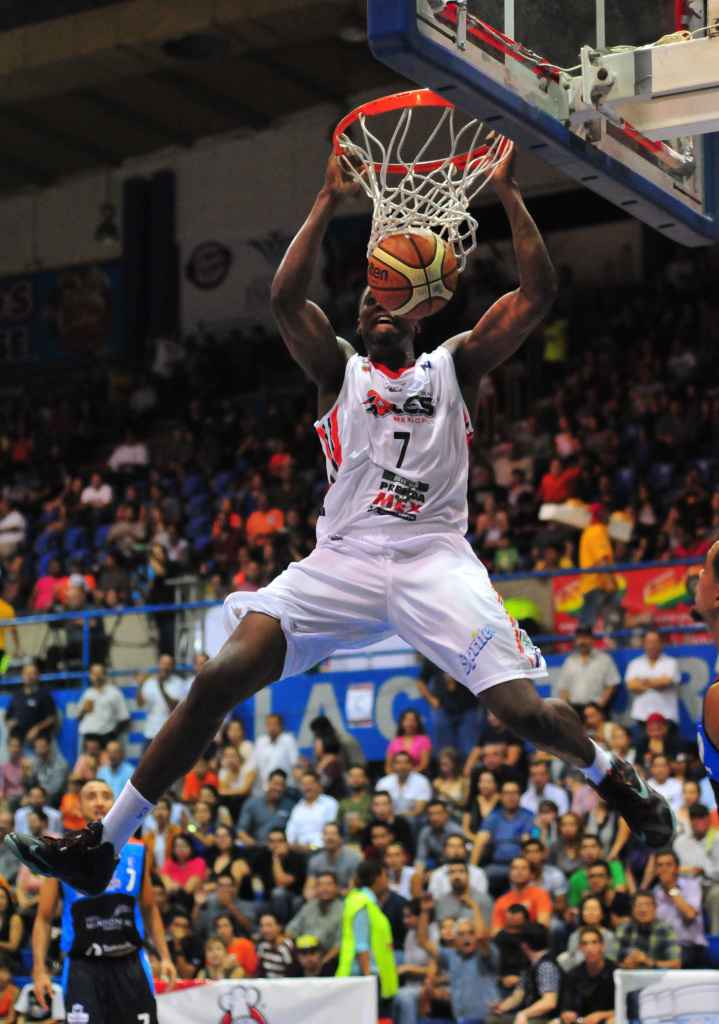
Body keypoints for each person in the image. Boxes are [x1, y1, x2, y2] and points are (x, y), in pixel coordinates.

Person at [5, 147, 673, 898]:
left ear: (417, 310)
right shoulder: (338, 373)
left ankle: (614, 777)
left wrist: (510, 193)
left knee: (523, 713)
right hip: (343, 560)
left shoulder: (456, 368)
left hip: (433, 558)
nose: (375, 308)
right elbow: (286, 301)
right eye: (365, 304)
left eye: (389, 301)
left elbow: (535, 294)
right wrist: (324, 201)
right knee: (218, 675)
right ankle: (104, 844)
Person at [30, 779, 175, 1022]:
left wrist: (165, 956)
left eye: (106, 796)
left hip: (130, 963)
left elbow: (149, 908)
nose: (99, 801)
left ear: (116, 803)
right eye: (91, 796)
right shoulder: (60, 855)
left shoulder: (138, 850)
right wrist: (39, 969)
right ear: (78, 807)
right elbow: (44, 918)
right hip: (82, 967)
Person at [416, 889, 498, 1024]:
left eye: (470, 933)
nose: (467, 938)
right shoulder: (452, 956)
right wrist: (425, 911)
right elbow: (423, 942)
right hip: (460, 1019)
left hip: (487, 1018)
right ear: (455, 939)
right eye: (461, 934)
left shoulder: (485, 954)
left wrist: (474, 907)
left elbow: (482, 936)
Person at [336, 859, 398, 1019]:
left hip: (371, 975)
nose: (387, 879)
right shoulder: (362, 903)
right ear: (378, 877)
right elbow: (361, 944)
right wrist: (368, 980)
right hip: (366, 975)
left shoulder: (364, 901)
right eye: (385, 875)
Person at [485, 922, 561, 1024]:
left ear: (525, 944)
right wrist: (500, 1008)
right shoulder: (529, 965)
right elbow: (517, 997)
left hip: (547, 1018)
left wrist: (523, 1014)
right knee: (492, 1020)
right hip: (530, 1015)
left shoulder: (546, 965)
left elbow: (549, 1002)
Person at [651, 848, 707, 968]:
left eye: (669, 865)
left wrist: (672, 888)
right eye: (660, 865)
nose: (664, 869)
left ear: (677, 868)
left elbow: (690, 914)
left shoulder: (691, 886)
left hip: (689, 947)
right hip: (663, 947)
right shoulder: (655, 893)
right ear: (656, 870)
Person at [416, 658, 479, 758]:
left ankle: (467, 772)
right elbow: (421, 681)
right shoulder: (433, 653)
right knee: (446, 751)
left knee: (468, 749)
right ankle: (448, 773)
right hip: (443, 709)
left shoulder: (463, 651)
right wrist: (431, 699)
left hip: (466, 707)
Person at [555, 927, 616, 1024]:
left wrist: (600, 1015)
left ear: (602, 946)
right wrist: (566, 1014)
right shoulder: (573, 974)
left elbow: (623, 1008)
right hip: (582, 1020)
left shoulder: (615, 972)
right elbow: (566, 1006)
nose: (589, 948)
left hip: (606, 1019)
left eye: (594, 943)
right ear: (580, 947)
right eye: (585, 944)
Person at [624, 630, 682, 732]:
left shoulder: (670, 663)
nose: (652, 645)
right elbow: (631, 685)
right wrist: (657, 682)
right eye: (649, 642)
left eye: (655, 642)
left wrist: (642, 681)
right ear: (644, 644)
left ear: (661, 644)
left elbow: (666, 682)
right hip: (642, 715)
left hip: (666, 714)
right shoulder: (635, 664)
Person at [577, 503, 623, 631]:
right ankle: (579, 650)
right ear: (602, 515)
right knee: (587, 624)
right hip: (597, 584)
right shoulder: (598, 531)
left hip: (592, 584)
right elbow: (602, 560)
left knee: (612, 619)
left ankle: (618, 644)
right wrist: (611, 584)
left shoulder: (588, 531)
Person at [558, 627, 620, 716]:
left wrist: (600, 707)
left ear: (592, 639)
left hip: (597, 709)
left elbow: (612, 684)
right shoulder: (569, 662)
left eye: (586, 638)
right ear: (575, 641)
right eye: (579, 638)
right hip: (575, 710)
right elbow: (564, 688)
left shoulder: (604, 660)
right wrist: (567, 710)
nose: (582, 641)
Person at [286, 870, 343, 965]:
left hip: (330, 961)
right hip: (304, 959)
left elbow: (340, 945)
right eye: (320, 885)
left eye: (329, 884)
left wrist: (323, 963)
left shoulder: (343, 910)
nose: (325, 889)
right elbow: (290, 931)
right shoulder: (308, 907)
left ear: (336, 887)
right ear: (315, 888)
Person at [614, 890, 681, 970]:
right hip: (629, 978)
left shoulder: (665, 929)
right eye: (639, 905)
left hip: (657, 979)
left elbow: (676, 964)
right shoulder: (624, 928)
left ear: (655, 909)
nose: (643, 909)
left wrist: (649, 962)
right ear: (632, 910)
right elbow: (612, 961)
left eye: (648, 905)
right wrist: (626, 965)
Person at [237, 768, 297, 847]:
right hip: (257, 847)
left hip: (282, 849)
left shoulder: (290, 806)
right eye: (275, 784)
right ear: (268, 783)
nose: (278, 788)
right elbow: (241, 830)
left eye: (282, 785)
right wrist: (252, 843)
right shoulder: (252, 804)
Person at [135, 654, 183, 752]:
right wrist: (140, 685)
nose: (165, 667)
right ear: (158, 665)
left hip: (170, 733)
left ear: (172, 667)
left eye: (168, 664)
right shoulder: (149, 683)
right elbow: (140, 704)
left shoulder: (179, 683)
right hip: (151, 732)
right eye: (163, 663)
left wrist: (161, 687)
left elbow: (173, 704)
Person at [76, 663, 130, 748]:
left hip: (106, 736)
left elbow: (124, 718)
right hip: (89, 737)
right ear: (90, 676)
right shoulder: (87, 694)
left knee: (106, 761)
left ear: (105, 675)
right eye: (94, 674)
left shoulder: (114, 693)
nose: (97, 677)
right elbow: (78, 717)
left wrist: (113, 734)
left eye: (100, 673)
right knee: (88, 761)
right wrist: (84, 711)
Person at [5, 666, 57, 747]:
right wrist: (10, 723)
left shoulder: (43, 694)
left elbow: (51, 718)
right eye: (27, 673)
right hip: (19, 735)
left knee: (41, 745)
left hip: (38, 735)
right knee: (13, 744)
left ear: (38, 676)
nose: (29, 676)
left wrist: (37, 728)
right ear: (22, 676)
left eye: (32, 673)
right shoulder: (17, 695)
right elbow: (8, 717)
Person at [375, 752, 432, 823]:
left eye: (406, 762)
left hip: (413, 818)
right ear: (393, 765)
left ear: (411, 764)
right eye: (398, 763)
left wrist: (399, 819)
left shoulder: (422, 781)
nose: (402, 766)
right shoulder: (383, 782)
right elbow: (378, 806)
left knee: (413, 820)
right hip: (388, 819)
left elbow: (420, 809)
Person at [253, 714, 299, 793]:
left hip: (285, 787)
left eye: (275, 724)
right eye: (269, 724)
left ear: (282, 726)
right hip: (266, 788)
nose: (272, 727)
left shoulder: (288, 740)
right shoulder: (260, 742)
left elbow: (294, 764)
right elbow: (256, 765)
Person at [384, 710, 433, 775]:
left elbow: (424, 764)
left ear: (417, 723)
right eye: (407, 720)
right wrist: (393, 778)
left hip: (418, 776)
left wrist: (407, 775)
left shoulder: (424, 740)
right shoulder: (394, 742)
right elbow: (388, 766)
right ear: (402, 723)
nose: (410, 723)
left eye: (413, 720)